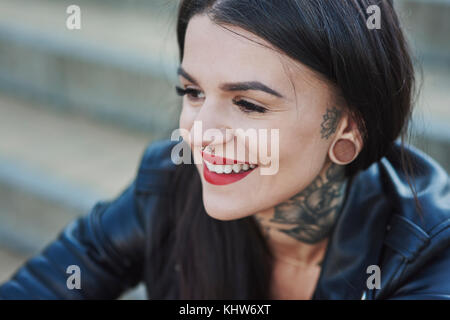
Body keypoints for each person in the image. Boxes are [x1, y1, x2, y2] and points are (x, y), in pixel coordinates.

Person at [1, 0, 449, 300]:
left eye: (249, 104)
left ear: (351, 126)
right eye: (192, 92)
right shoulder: (168, 184)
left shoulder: (424, 251)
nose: (201, 134)